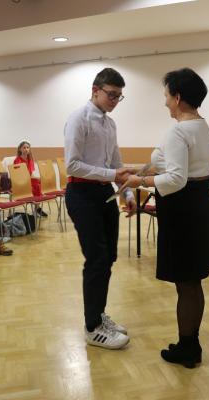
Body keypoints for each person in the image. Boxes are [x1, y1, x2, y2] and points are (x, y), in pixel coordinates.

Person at [125, 68, 209, 368]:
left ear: (178, 97)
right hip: (199, 205)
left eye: (166, 95)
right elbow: (166, 162)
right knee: (192, 281)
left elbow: (176, 178)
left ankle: (188, 348)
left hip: (184, 210)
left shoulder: (179, 131)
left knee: (187, 283)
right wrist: (140, 170)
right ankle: (190, 342)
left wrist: (140, 182)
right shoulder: (200, 126)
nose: (164, 101)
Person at [64, 67, 137, 350]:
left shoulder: (110, 124)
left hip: (104, 193)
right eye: (111, 95)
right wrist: (111, 175)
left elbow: (116, 162)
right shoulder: (78, 119)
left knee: (108, 258)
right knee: (96, 259)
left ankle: (99, 313)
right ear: (95, 90)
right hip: (81, 194)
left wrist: (127, 191)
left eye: (119, 97)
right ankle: (92, 327)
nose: (115, 101)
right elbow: (72, 165)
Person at [13, 141, 47, 217]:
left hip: (29, 180)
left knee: (38, 181)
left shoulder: (30, 160)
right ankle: (37, 208)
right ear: (20, 149)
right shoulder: (17, 160)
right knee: (36, 183)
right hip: (21, 181)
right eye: (24, 148)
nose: (26, 149)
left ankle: (37, 207)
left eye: (28, 147)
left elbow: (31, 173)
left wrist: (38, 177)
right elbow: (18, 175)